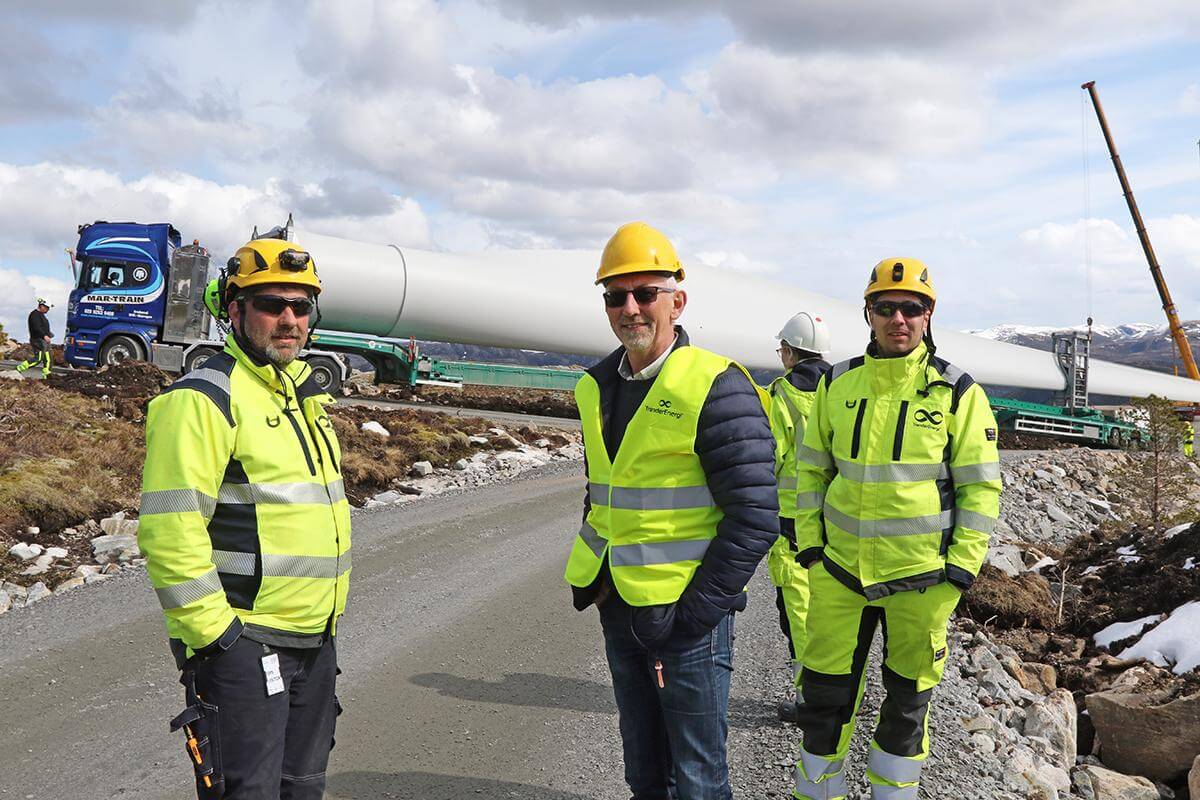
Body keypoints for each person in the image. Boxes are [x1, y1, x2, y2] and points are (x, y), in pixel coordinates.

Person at [564, 221, 778, 800]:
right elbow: (603, 492)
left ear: (676, 301)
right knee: (643, 773)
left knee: (698, 778)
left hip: (687, 623)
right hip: (621, 610)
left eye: (644, 294)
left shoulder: (717, 385)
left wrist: (690, 617)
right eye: (616, 295)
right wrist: (600, 580)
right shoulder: (594, 386)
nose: (629, 307)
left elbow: (756, 517)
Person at [139, 238, 350, 799]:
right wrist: (220, 640)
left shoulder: (301, 398)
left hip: (313, 643)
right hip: (245, 645)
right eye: (270, 305)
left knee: (301, 789)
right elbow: (169, 532)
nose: (288, 319)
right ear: (234, 311)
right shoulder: (204, 398)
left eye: (301, 307)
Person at [791, 258, 1002, 799]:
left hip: (924, 581)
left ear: (929, 315)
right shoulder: (838, 384)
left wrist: (960, 569)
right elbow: (810, 471)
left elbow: (981, 487)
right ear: (869, 313)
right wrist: (811, 548)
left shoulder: (957, 392)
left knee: (906, 709)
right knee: (823, 702)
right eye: (886, 307)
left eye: (913, 307)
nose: (899, 318)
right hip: (839, 575)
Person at [767, 312, 831, 724]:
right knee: (835, 608)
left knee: (798, 609)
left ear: (790, 352)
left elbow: (770, 456)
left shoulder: (782, 394)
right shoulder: (844, 386)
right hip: (839, 519)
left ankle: (812, 700)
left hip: (791, 521)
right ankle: (840, 690)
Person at [15, 298, 53, 377]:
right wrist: (44, 335)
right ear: (41, 306)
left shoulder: (41, 315)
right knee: (38, 359)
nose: (48, 310)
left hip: (44, 341)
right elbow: (36, 328)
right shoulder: (34, 314)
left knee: (48, 358)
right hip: (37, 340)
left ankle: (47, 375)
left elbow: (43, 327)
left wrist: (49, 334)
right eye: (47, 308)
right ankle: (20, 368)